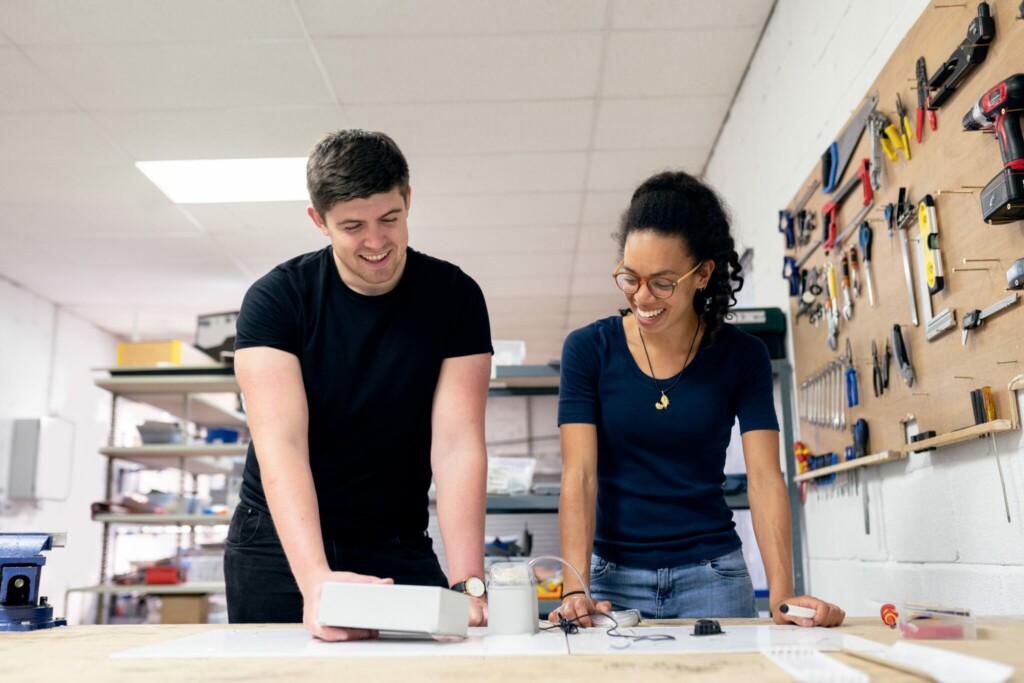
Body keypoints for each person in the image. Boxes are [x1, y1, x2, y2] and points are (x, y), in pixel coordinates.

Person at [226, 130, 493, 640]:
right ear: (318, 221)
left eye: (389, 219)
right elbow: (280, 444)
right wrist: (315, 581)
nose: (376, 241)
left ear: (408, 200)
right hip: (280, 547)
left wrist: (467, 582)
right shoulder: (276, 301)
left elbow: (458, 444)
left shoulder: (455, 298)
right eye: (352, 226)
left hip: (393, 538)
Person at [551, 171, 844, 628]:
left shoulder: (742, 356)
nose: (642, 297)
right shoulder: (589, 350)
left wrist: (783, 594)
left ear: (703, 274)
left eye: (663, 282)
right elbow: (580, 476)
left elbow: (766, 479)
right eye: (630, 277)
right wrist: (575, 588)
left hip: (713, 577)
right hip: (612, 581)